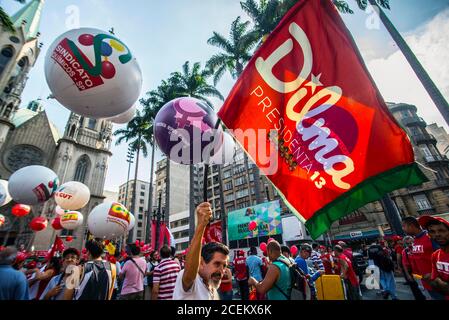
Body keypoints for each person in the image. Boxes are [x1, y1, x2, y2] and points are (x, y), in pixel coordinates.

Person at [173, 202, 229, 300]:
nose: (221, 270)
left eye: (224, 266)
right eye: (217, 264)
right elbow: (189, 275)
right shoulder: (193, 281)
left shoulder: (211, 286)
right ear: (201, 262)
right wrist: (201, 226)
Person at [402, 216, 442, 300]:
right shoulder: (415, 241)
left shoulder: (430, 237)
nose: (403, 229)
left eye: (404, 226)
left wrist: (434, 274)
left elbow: (444, 256)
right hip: (428, 284)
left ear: (411, 225)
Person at [419, 216, 449, 300]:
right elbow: (435, 281)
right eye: (432, 231)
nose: (437, 234)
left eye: (441, 230)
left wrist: (437, 282)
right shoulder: (435, 255)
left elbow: (435, 281)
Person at [402, 236, 427, 300]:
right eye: (408, 243)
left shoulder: (419, 248)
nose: (410, 244)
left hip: (425, 272)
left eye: (411, 242)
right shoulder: (405, 251)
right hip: (416, 274)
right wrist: (408, 275)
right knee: (422, 289)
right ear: (405, 244)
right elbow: (405, 264)